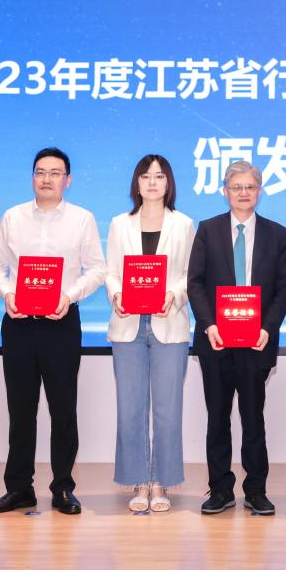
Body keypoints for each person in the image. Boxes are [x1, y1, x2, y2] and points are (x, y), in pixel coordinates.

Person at [0, 147, 106, 515]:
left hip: (61, 323)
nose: (47, 179)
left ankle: (63, 487)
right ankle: (19, 488)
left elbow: (97, 269)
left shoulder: (82, 219)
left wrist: (69, 296)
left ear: (68, 180)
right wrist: (7, 293)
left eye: (55, 173)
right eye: (40, 172)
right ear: (32, 177)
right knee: (21, 410)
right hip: (19, 323)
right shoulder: (13, 216)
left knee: (63, 409)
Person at [187, 160, 286, 516]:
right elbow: (195, 283)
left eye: (249, 187)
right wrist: (209, 325)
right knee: (217, 419)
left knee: (253, 419)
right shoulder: (208, 229)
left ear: (259, 191)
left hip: (256, 341)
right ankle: (220, 490)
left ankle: (256, 490)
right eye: (237, 187)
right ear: (225, 192)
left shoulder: (278, 234)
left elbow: (285, 287)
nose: (243, 193)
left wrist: (268, 327)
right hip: (216, 341)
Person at [106, 155, 195, 512]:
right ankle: (139, 481)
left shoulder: (184, 224)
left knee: (168, 410)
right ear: (137, 183)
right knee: (130, 408)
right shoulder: (119, 224)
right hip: (128, 323)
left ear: (169, 182)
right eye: (146, 176)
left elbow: (190, 273)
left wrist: (174, 294)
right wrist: (116, 295)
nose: (153, 182)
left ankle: (161, 481)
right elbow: (111, 271)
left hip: (169, 323)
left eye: (159, 176)